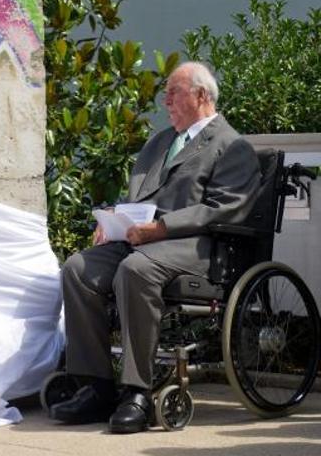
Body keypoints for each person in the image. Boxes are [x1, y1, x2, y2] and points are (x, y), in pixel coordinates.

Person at [49, 61, 261, 434]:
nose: (165, 101)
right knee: (77, 269)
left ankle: (137, 391)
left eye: (173, 92)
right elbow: (142, 195)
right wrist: (115, 217)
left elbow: (224, 208)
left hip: (197, 246)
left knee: (137, 270)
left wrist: (161, 228)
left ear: (200, 95)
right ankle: (96, 385)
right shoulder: (161, 142)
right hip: (144, 240)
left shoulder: (232, 146)